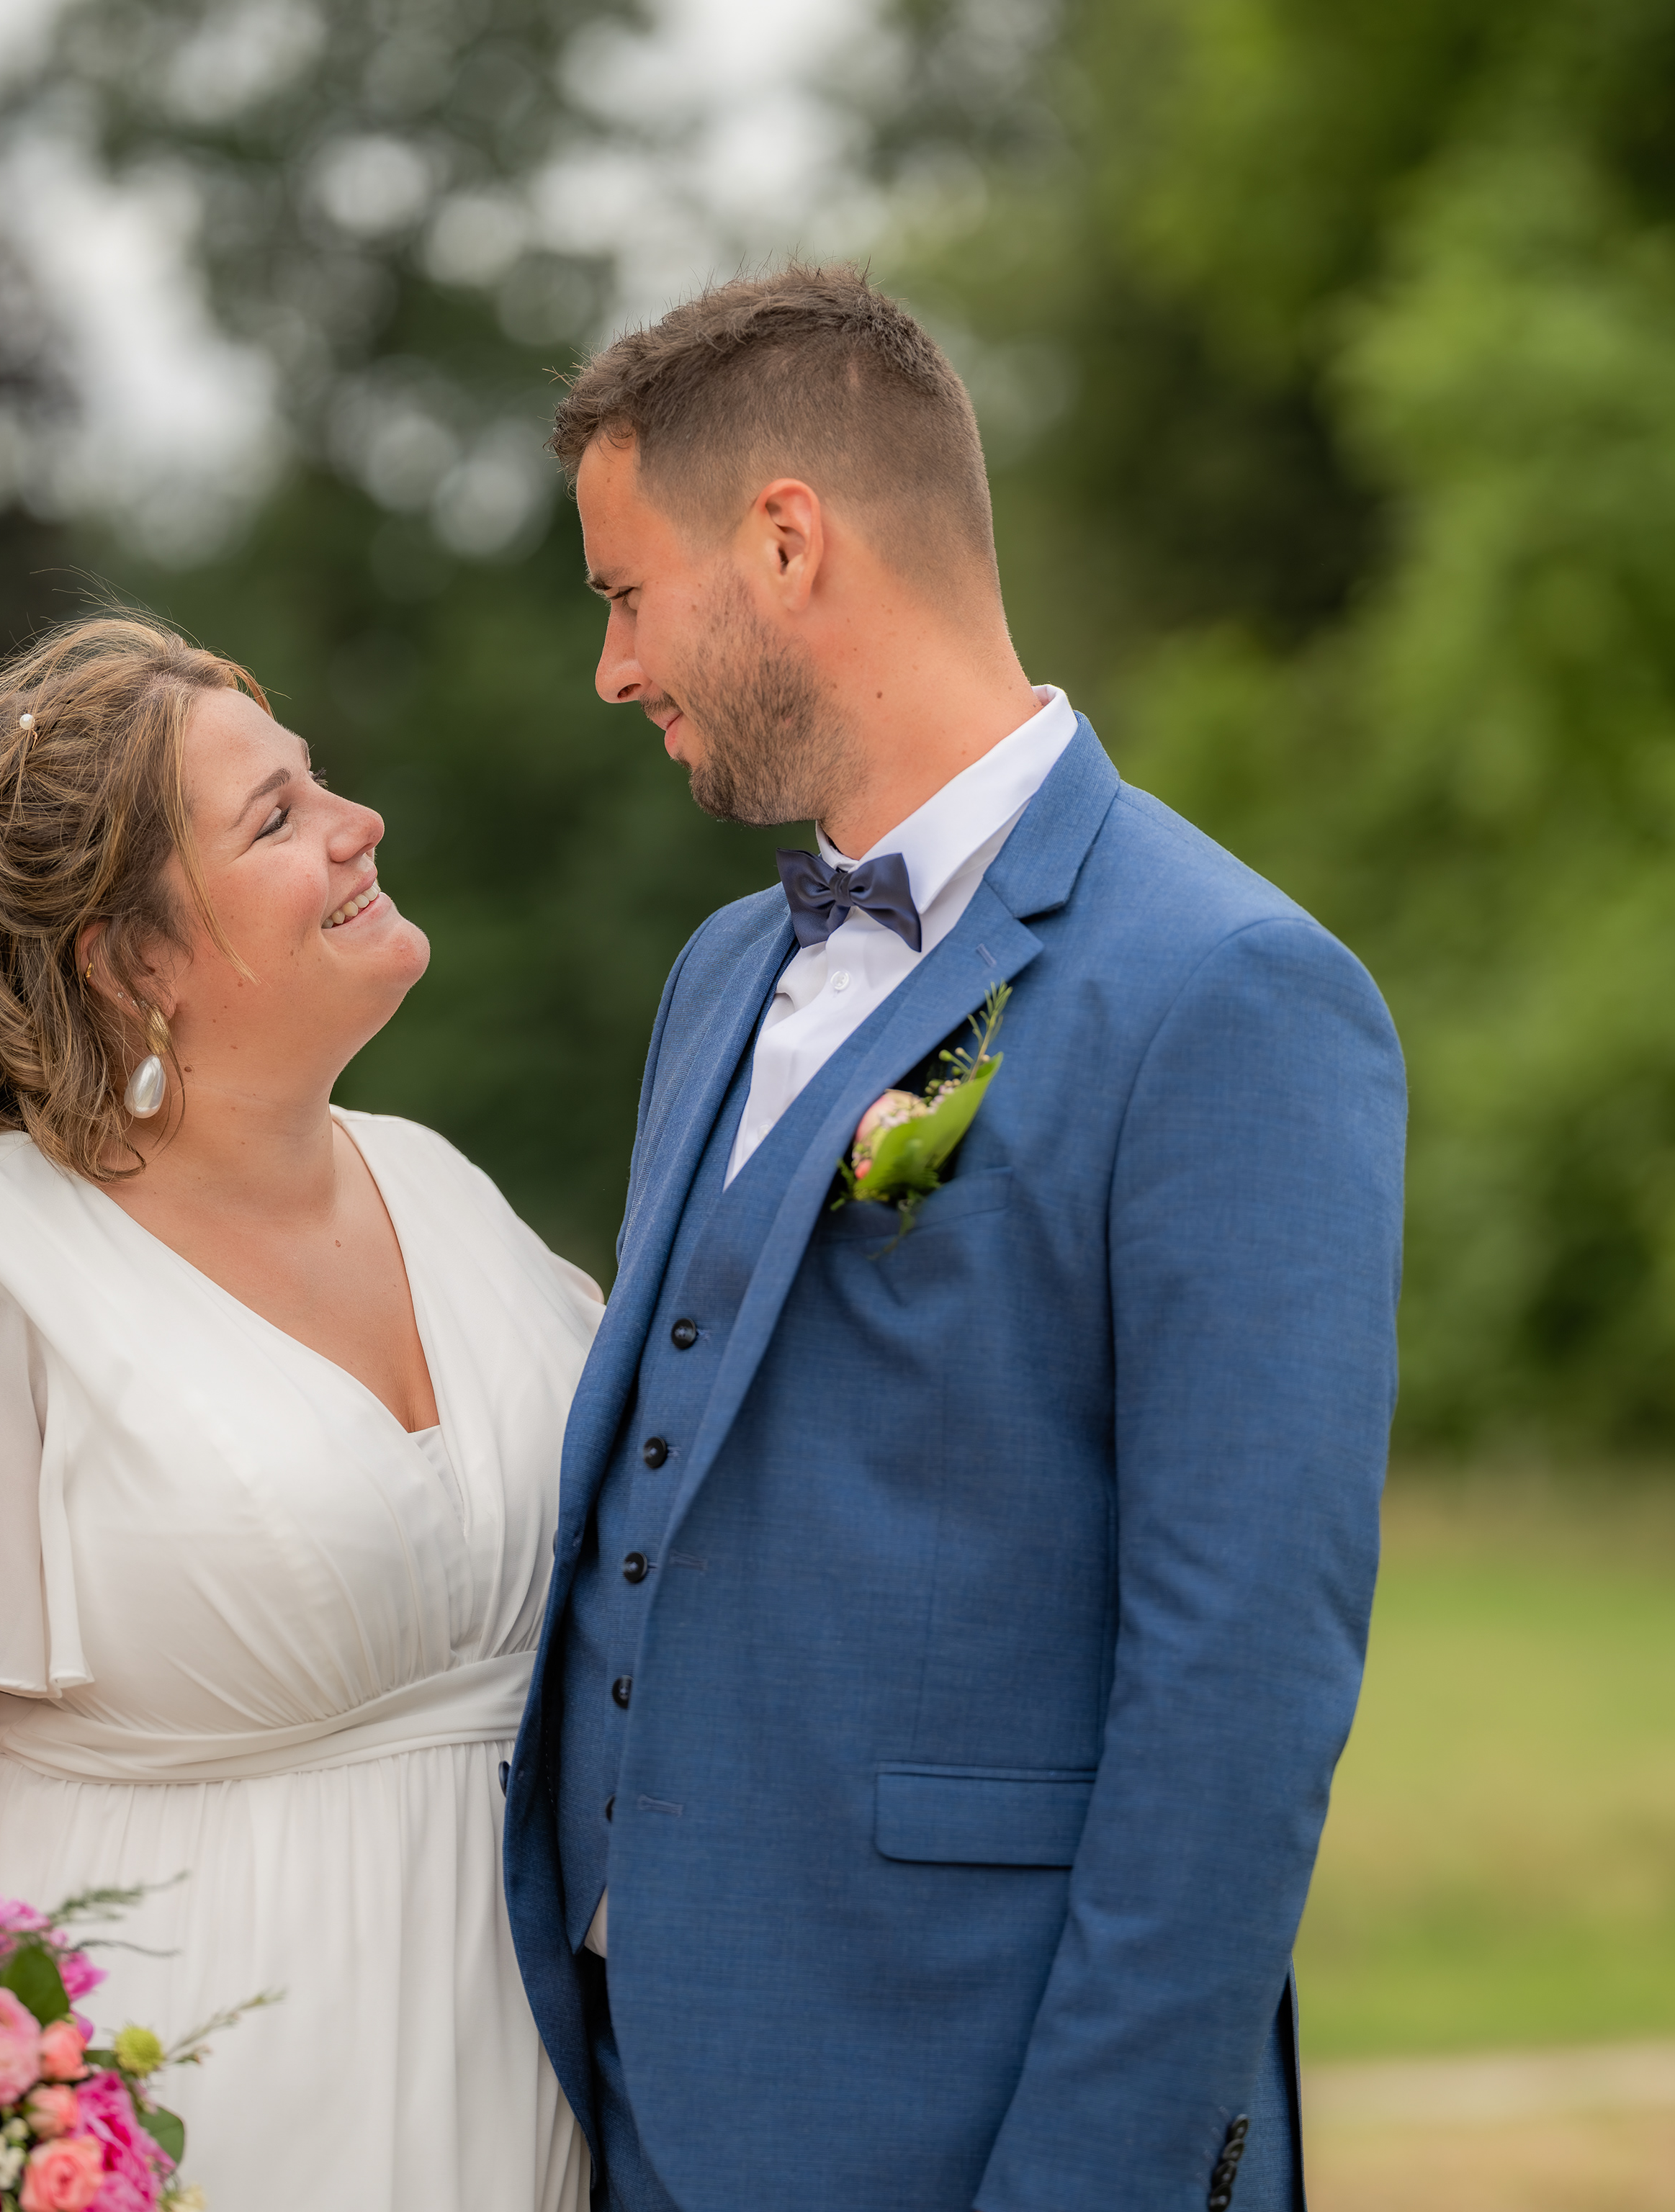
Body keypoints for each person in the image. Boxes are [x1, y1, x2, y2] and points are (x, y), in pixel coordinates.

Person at [503, 266, 1408, 2211]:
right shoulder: (721, 973)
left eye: (625, 594)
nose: (613, 668)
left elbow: (1239, 1692)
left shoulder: (1228, 987)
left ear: (788, 542)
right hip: (637, 2101)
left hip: (969, 2108)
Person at [0, 613, 597, 2212]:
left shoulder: (450, 1195)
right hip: (184, 2132)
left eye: (318, 783)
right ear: (130, 962)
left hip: (522, 2109)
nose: (358, 824)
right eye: (278, 819)